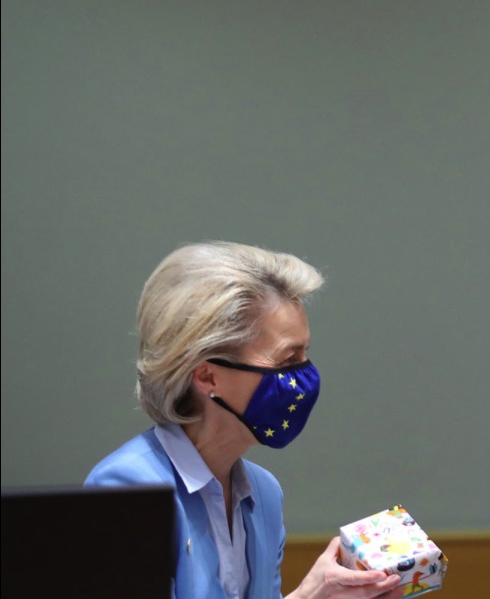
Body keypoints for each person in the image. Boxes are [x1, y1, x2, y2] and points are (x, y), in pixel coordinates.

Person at [86, 242, 405, 599]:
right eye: (286, 360)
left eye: (305, 354)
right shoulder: (128, 489)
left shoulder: (263, 493)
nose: (305, 378)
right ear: (207, 377)